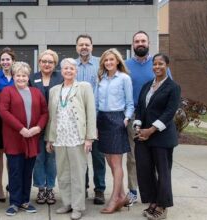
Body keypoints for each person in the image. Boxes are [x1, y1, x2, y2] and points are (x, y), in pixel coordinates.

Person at [125, 31, 172, 206]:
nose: (140, 43)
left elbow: (169, 91)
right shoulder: (126, 65)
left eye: (143, 40)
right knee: (133, 157)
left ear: (149, 43)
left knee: (157, 158)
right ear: (133, 44)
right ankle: (133, 191)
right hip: (134, 119)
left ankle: (158, 195)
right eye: (137, 41)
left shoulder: (158, 64)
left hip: (156, 120)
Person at [45, 58, 97, 220]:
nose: (68, 71)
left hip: (77, 137)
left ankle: (78, 206)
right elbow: (50, 116)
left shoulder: (84, 87)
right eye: (65, 68)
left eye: (72, 69)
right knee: (62, 173)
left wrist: (89, 138)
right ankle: (67, 203)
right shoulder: (54, 90)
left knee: (78, 173)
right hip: (60, 137)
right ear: (61, 71)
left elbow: (91, 112)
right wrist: (49, 139)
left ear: (76, 71)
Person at [0, 62, 48, 216]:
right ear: (13, 76)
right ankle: (14, 202)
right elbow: (3, 111)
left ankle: (25, 201)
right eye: (18, 75)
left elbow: (45, 112)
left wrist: (37, 128)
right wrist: (21, 129)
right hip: (14, 138)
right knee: (15, 171)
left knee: (27, 171)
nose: (21, 78)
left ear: (28, 77)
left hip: (32, 137)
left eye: (24, 75)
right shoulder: (7, 91)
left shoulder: (36, 92)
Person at [133, 54, 180, 220]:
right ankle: (152, 201)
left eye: (161, 64)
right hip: (143, 136)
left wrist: (151, 130)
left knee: (163, 173)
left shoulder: (173, 87)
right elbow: (140, 108)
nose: (157, 66)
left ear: (167, 65)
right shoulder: (147, 86)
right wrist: (138, 126)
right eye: (155, 64)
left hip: (162, 137)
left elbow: (169, 112)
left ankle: (163, 205)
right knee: (145, 171)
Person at [96, 48, 134, 214]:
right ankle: (123, 195)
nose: (109, 62)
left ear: (117, 61)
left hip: (117, 120)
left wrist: (125, 119)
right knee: (110, 161)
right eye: (106, 60)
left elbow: (130, 103)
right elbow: (97, 104)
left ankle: (114, 198)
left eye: (112, 59)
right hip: (102, 120)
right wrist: (95, 124)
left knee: (117, 162)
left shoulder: (124, 78)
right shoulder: (101, 80)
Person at [75, 34, 106, 204]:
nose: (84, 47)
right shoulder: (71, 65)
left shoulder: (101, 64)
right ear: (76, 47)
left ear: (92, 46)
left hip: (98, 117)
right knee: (81, 157)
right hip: (78, 119)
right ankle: (83, 188)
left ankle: (100, 190)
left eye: (87, 44)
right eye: (81, 44)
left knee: (98, 156)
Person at [29, 49, 63, 205]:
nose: (47, 64)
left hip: (56, 124)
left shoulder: (61, 77)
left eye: (50, 62)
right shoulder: (32, 78)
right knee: (38, 158)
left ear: (55, 64)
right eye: (44, 61)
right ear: (39, 62)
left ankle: (50, 189)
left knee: (52, 158)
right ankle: (40, 189)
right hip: (36, 124)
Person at [0, 47, 16, 202]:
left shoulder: (19, 75)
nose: (5, 62)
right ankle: (0, 186)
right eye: (3, 59)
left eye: (8, 59)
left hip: (15, 121)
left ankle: (12, 184)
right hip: (0, 120)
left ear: (13, 61)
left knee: (12, 154)